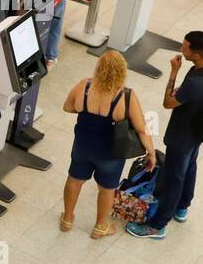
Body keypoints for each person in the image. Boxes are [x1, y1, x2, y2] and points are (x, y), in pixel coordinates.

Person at [61, 51, 155, 238]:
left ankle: (67, 219)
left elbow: (68, 107)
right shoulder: (127, 97)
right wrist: (151, 153)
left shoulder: (84, 86)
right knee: (106, 188)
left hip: (83, 147)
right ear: (122, 71)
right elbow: (142, 130)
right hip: (111, 152)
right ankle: (100, 227)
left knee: (74, 180)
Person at [127, 33, 203, 239]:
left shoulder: (196, 83)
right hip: (196, 133)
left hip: (182, 135)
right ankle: (182, 206)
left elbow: (168, 102)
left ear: (196, 54)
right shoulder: (197, 70)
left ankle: (158, 225)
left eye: (185, 47)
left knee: (173, 179)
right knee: (190, 166)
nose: (181, 49)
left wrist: (173, 72)